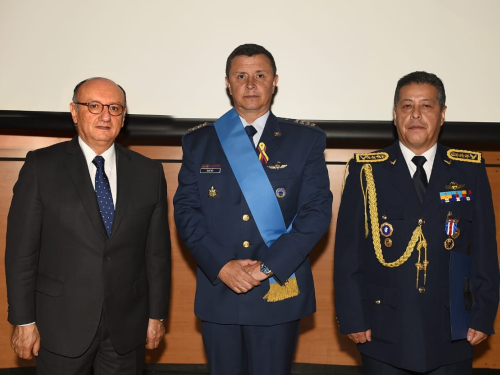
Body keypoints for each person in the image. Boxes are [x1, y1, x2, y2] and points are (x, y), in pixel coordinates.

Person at [174, 43, 332, 374]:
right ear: (228, 83)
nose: (250, 84)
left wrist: (268, 267)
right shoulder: (198, 142)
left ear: (274, 81)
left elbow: (316, 213)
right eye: (241, 75)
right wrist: (222, 266)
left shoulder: (306, 139)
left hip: (277, 290)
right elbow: (186, 213)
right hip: (220, 292)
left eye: (259, 75)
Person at [334, 71, 499, 374]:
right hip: (383, 328)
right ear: (395, 115)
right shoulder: (366, 171)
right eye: (407, 106)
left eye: (427, 106)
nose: (416, 115)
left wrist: (483, 313)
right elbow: (348, 255)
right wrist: (353, 317)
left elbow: (485, 250)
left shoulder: (469, 170)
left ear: (442, 115)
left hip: (452, 328)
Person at [5, 77, 171, 375]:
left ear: (123, 116)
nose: (105, 116)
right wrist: (23, 321)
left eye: (115, 108)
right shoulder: (41, 167)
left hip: (127, 327)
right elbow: (21, 253)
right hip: (59, 326)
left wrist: (156, 316)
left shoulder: (149, 172)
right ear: (74, 111)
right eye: (93, 106)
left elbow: (157, 254)